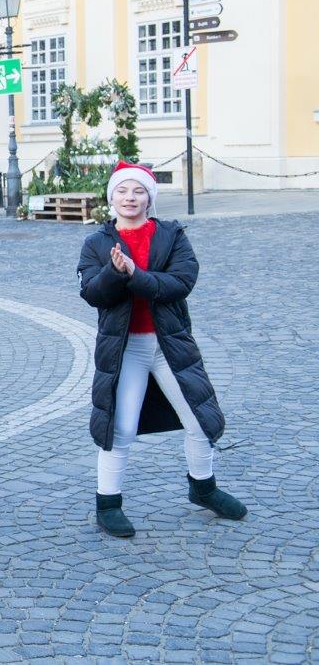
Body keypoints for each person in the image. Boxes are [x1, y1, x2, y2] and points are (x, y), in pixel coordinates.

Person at [78, 162, 247, 538]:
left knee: (201, 420)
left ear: (149, 198)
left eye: (138, 191)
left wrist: (135, 276)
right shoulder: (97, 243)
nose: (130, 198)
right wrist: (114, 273)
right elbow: (91, 293)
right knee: (118, 429)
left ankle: (203, 488)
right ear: (112, 197)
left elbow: (180, 283)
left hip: (169, 346)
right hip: (125, 350)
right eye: (122, 191)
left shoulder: (171, 236)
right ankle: (108, 503)